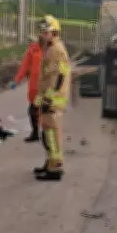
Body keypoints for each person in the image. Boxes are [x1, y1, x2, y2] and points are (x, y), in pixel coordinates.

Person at [33, 15, 72, 181]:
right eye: (42, 31)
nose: (43, 34)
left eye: (46, 31)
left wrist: (46, 99)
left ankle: (55, 168)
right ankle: (50, 163)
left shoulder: (56, 50)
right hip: (51, 98)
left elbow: (57, 79)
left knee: (51, 134)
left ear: (54, 31)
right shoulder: (53, 47)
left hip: (53, 99)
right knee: (48, 132)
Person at [11, 35, 44, 142]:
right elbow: (24, 67)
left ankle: (45, 134)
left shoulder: (52, 50)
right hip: (35, 88)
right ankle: (36, 133)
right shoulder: (33, 50)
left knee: (43, 110)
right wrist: (16, 80)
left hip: (46, 88)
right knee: (34, 110)